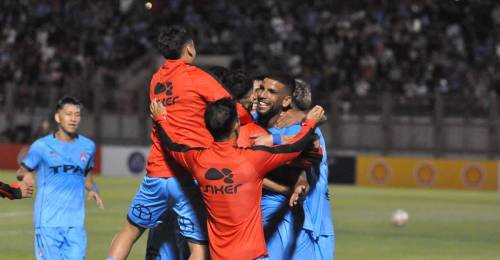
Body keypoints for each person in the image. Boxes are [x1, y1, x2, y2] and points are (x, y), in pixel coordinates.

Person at [108, 25, 241, 260]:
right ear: (189, 49)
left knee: (129, 231)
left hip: (156, 174)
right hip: (187, 174)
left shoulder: (155, 80)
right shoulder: (196, 76)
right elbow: (229, 107)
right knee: (199, 249)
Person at [150, 97, 325, 259]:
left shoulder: (196, 160)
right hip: (251, 255)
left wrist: (160, 119)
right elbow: (295, 147)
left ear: (207, 127)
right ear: (236, 124)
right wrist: (310, 123)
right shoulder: (253, 159)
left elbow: (171, 145)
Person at [255, 79, 335, 259]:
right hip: (309, 221)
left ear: (287, 101)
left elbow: (300, 147)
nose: (261, 96)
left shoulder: (302, 129)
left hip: (312, 221)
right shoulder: (308, 128)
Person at [16, 96, 103, 260]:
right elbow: (21, 171)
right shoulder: (41, 146)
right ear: (57, 117)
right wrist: (27, 176)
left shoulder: (88, 146)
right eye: (68, 114)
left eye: (77, 114)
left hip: (76, 224)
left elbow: (88, 178)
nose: (73, 118)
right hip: (48, 223)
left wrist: (93, 189)